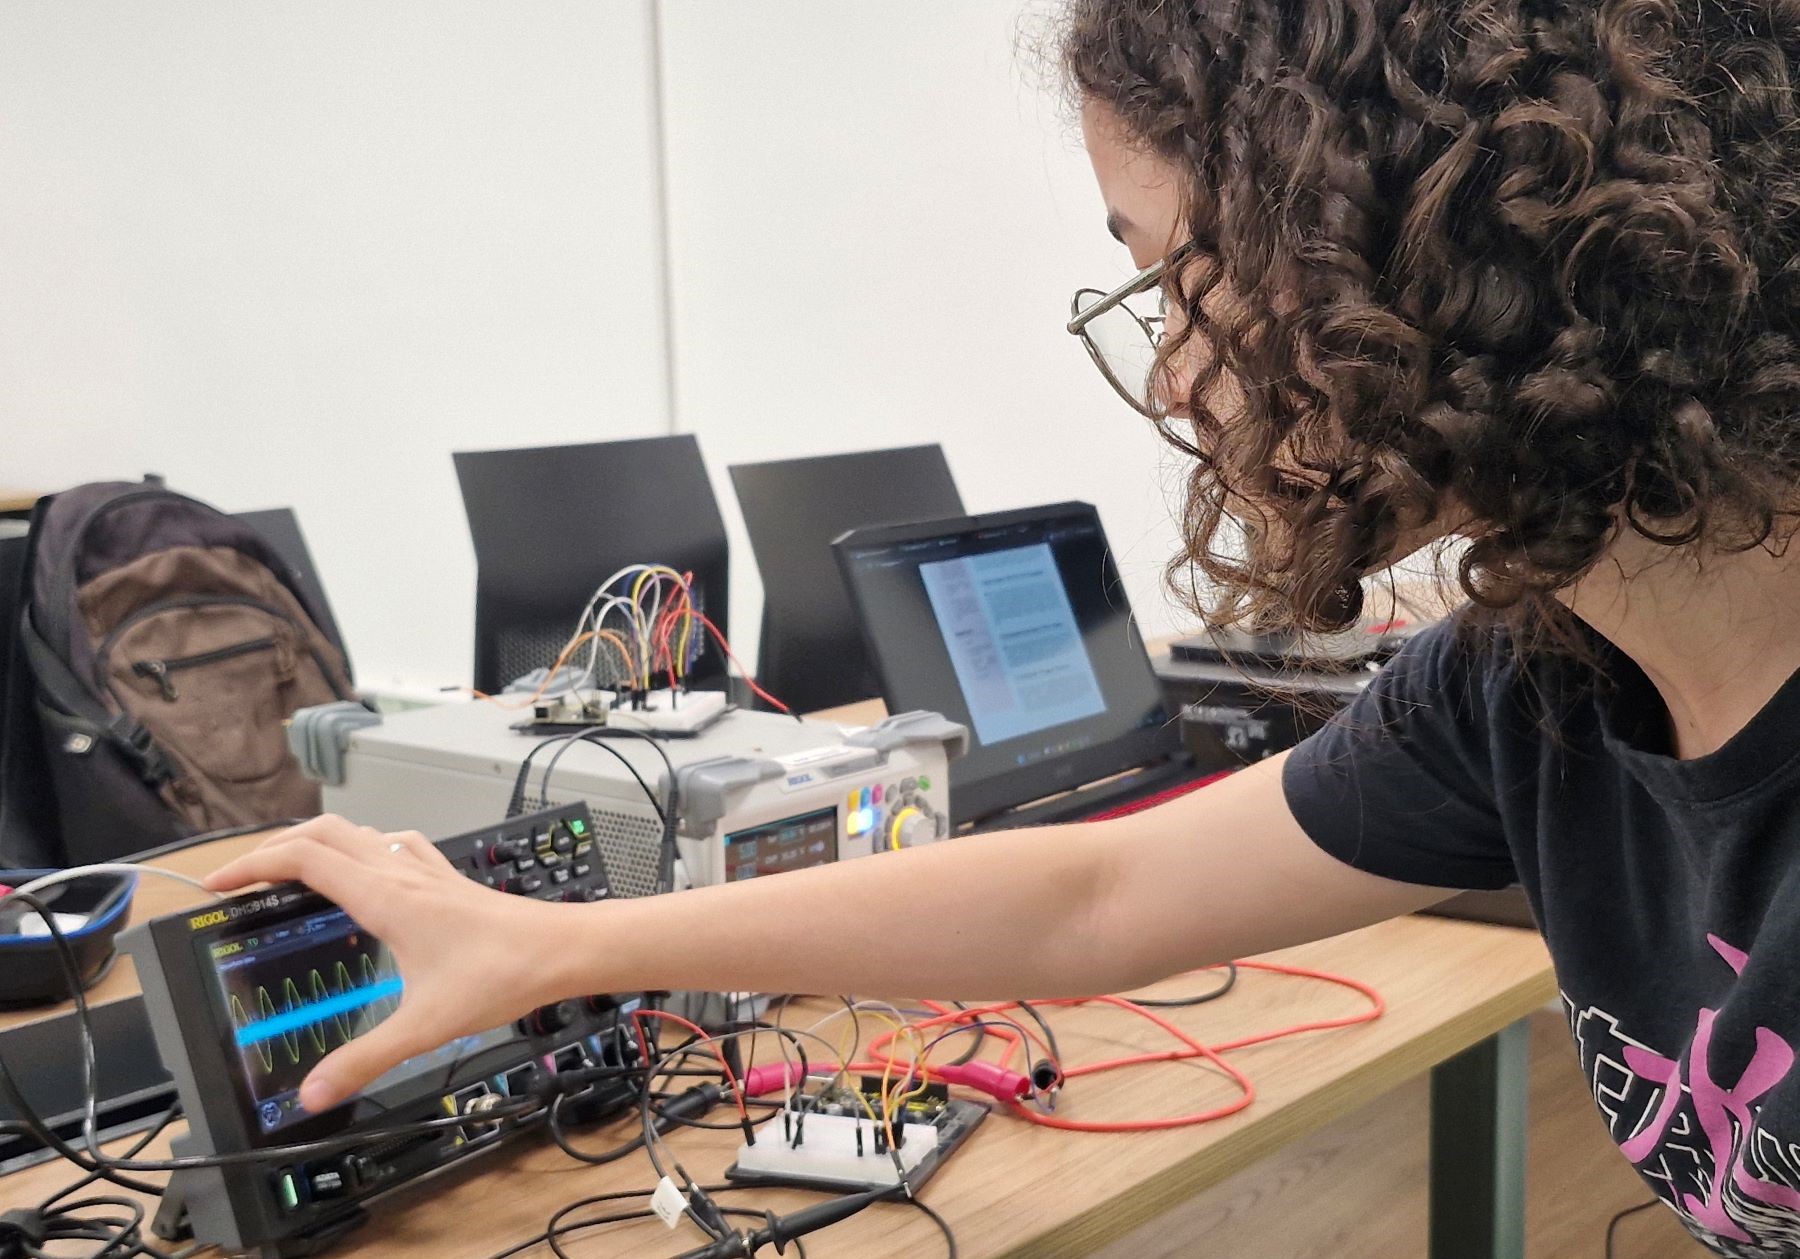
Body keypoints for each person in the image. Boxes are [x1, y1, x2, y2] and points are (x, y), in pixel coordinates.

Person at [208, 2, 1800, 1251]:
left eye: (1184, 274)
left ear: (1441, 237)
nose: (1174, 372)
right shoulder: (1532, 686)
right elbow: (1094, 894)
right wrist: (558, 948)